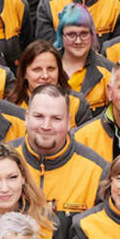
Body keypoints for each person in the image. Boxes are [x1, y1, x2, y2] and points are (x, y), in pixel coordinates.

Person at [14, 81, 107, 215]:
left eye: (56, 118)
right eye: (39, 116)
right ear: (27, 118)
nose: (46, 126)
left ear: (69, 122)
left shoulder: (97, 171)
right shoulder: (3, 160)